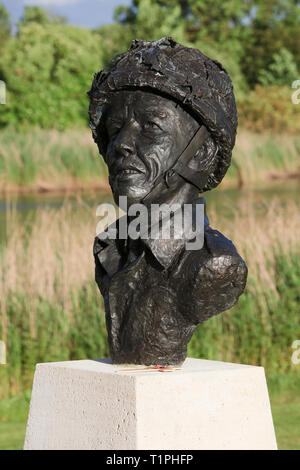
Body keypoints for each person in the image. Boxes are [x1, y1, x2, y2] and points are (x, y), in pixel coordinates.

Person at [88, 37, 248, 366]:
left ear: (201, 153)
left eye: (151, 127)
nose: (121, 145)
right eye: (116, 128)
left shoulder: (213, 264)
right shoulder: (110, 248)